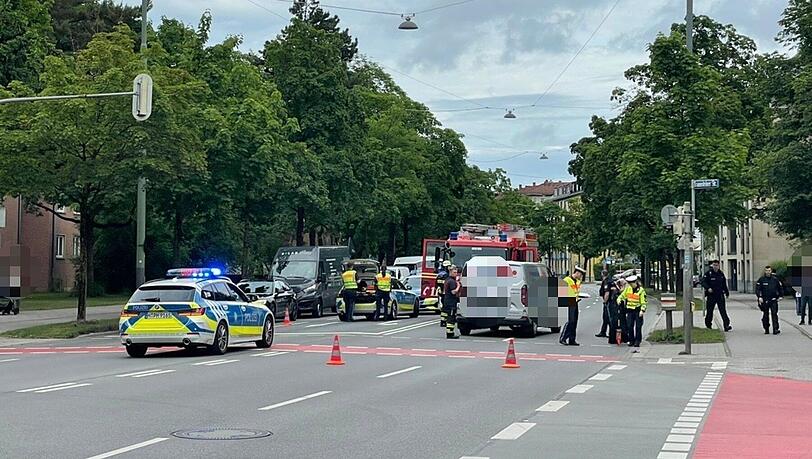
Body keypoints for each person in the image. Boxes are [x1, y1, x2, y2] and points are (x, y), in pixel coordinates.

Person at [701, 260, 732, 331]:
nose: (715, 267)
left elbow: (724, 284)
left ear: (718, 266)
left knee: (723, 311)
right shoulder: (709, 273)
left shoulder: (721, 274)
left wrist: (727, 292)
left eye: (716, 265)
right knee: (710, 311)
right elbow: (703, 281)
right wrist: (708, 288)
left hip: (720, 295)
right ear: (712, 265)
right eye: (714, 265)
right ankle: (708, 325)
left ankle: (726, 325)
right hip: (711, 295)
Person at [617, 275, 647, 348]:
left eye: (632, 283)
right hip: (630, 311)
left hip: (637, 310)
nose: (631, 285)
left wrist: (642, 310)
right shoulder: (628, 289)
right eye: (629, 284)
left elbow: (644, 302)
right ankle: (631, 340)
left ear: (636, 282)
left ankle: (637, 341)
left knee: (638, 327)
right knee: (630, 326)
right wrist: (619, 300)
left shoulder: (641, 290)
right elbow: (622, 296)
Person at [559, 266, 586, 346]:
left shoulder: (577, 281)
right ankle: (563, 338)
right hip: (569, 302)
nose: (581, 277)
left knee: (575, 321)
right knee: (571, 321)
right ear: (577, 273)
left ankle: (572, 339)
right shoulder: (567, 280)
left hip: (575, 302)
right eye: (580, 275)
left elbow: (575, 292)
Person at [756, 265, 783, 335]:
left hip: (773, 299)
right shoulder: (761, 280)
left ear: (771, 271)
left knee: (774, 314)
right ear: (765, 271)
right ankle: (766, 328)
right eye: (766, 271)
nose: (768, 272)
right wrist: (759, 297)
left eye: (769, 271)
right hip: (764, 300)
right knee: (765, 315)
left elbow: (780, 288)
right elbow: (758, 289)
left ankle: (775, 329)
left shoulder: (775, 280)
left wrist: (780, 296)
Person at [442, 266, 461, 339]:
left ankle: (450, 333)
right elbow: (454, 292)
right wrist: (458, 286)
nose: (456, 274)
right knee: (451, 318)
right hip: (451, 302)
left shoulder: (447, 280)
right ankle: (450, 334)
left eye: (456, 272)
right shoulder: (452, 281)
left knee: (450, 317)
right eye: (454, 272)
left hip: (447, 301)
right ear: (450, 272)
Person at [606, 275, 626, 345]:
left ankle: (623, 337)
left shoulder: (616, 286)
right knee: (615, 321)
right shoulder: (614, 287)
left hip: (619, 306)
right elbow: (613, 295)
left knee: (621, 321)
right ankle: (613, 338)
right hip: (615, 305)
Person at [595, 270, 611, 338]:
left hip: (608, 302)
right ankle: (603, 332)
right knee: (605, 318)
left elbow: (607, 293)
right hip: (609, 302)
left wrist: (605, 301)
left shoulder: (606, 281)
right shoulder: (608, 280)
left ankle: (611, 333)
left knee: (608, 317)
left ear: (602, 274)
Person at [437, 260, 451, 327]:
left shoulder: (440, 274)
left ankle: (443, 320)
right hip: (445, 293)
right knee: (446, 308)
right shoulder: (446, 275)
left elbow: (436, 284)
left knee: (444, 308)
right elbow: (446, 284)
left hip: (441, 293)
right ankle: (444, 321)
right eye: (449, 266)